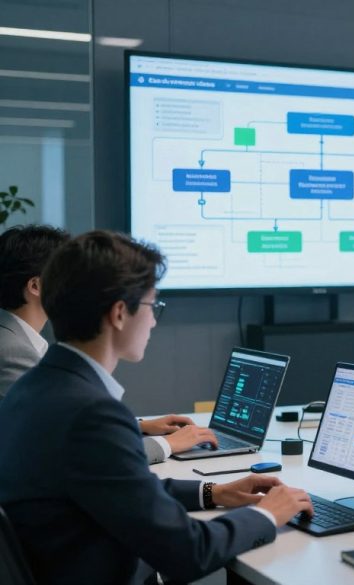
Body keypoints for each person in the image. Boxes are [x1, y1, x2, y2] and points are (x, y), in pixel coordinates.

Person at [0, 230, 313, 584]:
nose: (152, 321)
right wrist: (268, 516)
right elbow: (189, 552)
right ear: (119, 313)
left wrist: (214, 492)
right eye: (152, 306)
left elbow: (125, 490)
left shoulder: (35, 386)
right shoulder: (92, 413)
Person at [0, 224, 214, 463]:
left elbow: (57, 424)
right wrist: (167, 443)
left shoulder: (17, 339)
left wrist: (137, 426)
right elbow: (66, 449)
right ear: (36, 286)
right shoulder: (12, 350)